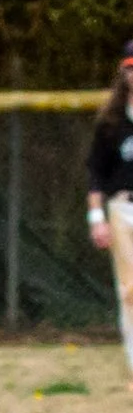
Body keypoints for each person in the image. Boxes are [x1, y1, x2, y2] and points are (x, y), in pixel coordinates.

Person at [88, 39, 133, 390]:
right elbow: (96, 174)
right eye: (131, 68)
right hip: (123, 208)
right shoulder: (112, 121)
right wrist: (96, 218)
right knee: (130, 291)